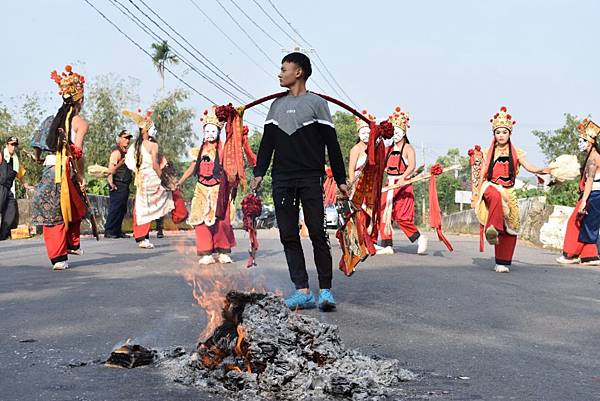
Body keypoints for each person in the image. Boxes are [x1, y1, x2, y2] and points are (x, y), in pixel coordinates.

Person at [251, 52, 349, 311]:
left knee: (317, 232)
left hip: (310, 177)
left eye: (284, 69)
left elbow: (332, 144)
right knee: (288, 234)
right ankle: (302, 290)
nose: (280, 73)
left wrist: (341, 179)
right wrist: (259, 173)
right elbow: (267, 143)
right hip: (282, 178)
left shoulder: (317, 104)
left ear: (299, 72)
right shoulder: (275, 106)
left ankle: (325, 291)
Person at [475, 106, 549, 273]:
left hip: (509, 192)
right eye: (498, 132)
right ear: (494, 134)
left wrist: (545, 170)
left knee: (511, 228)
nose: (501, 135)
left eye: (504, 132)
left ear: (509, 134)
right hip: (490, 186)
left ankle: (502, 261)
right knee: (494, 195)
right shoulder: (487, 152)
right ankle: (492, 228)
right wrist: (476, 194)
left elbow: (529, 167)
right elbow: (481, 174)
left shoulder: (518, 153)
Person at [31, 65, 88, 270]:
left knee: (54, 211)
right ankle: (66, 250)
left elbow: (36, 144)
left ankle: (61, 254)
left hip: (49, 168)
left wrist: (39, 159)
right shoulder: (79, 122)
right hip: (65, 170)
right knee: (72, 206)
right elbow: (77, 154)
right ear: (80, 99)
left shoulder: (49, 120)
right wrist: (81, 176)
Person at [177, 106, 236, 265]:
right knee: (200, 221)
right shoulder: (200, 150)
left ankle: (223, 251)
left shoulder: (224, 149)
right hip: (201, 189)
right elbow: (192, 167)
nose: (210, 135)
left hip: (219, 189)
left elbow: (231, 167)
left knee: (222, 222)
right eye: (207, 132)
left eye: (213, 131)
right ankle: (206, 252)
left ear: (218, 132)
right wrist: (180, 181)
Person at [123, 109, 185, 249]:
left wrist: (138, 171)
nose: (155, 131)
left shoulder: (135, 146)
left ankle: (141, 236)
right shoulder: (153, 145)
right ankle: (179, 216)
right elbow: (156, 164)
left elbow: (130, 163)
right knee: (169, 194)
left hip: (141, 179)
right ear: (147, 130)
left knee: (141, 207)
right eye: (153, 128)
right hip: (152, 177)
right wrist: (163, 178)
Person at [376, 107, 428, 255]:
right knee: (383, 210)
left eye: (398, 131)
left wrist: (403, 178)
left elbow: (411, 166)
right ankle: (387, 244)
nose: (396, 134)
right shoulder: (388, 148)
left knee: (402, 217)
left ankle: (419, 238)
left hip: (403, 184)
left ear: (404, 132)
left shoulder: (408, 148)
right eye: (394, 132)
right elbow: (382, 166)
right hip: (390, 184)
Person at [556, 118, 600, 265]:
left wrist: (583, 202)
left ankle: (571, 255)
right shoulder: (592, 157)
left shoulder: (593, 159)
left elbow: (590, 182)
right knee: (588, 226)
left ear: (590, 141)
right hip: (594, 195)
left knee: (574, 223)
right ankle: (590, 256)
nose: (578, 143)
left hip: (593, 195)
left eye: (581, 140)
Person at [0, 137, 31, 240]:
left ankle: (2, 236)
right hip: (0, 187)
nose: (13, 147)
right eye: (11, 144)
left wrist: (26, 185)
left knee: (11, 209)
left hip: (7, 189)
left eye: (15, 145)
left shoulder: (16, 160)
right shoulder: (1, 155)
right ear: (6, 145)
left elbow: (20, 175)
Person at [104, 129, 132, 239]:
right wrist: (111, 183)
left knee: (122, 208)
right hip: (117, 183)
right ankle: (109, 231)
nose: (127, 140)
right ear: (119, 138)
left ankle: (117, 230)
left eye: (129, 138)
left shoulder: (126, 152)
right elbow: (111, 169)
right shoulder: (116, 152)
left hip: (124, 184)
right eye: (125, 138)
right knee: (115, 208)